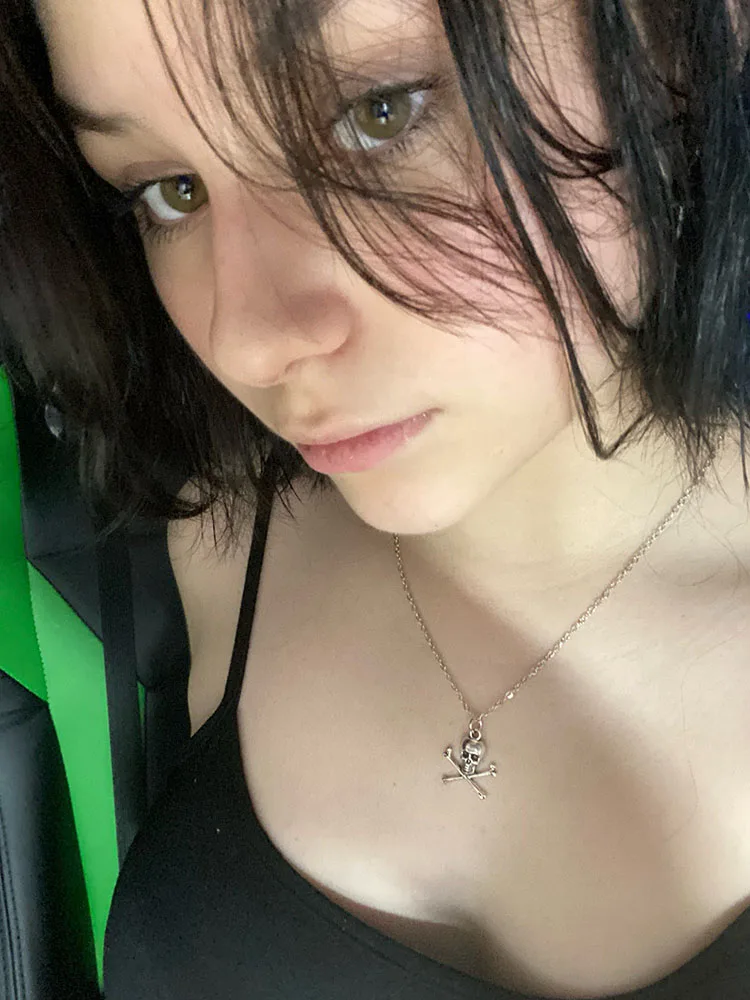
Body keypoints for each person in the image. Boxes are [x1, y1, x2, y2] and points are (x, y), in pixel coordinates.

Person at [1, 0, 749, 996]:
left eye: (380, 113)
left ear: (694, 36)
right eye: (169, 190)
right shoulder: (226, 537)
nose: (247, 341)